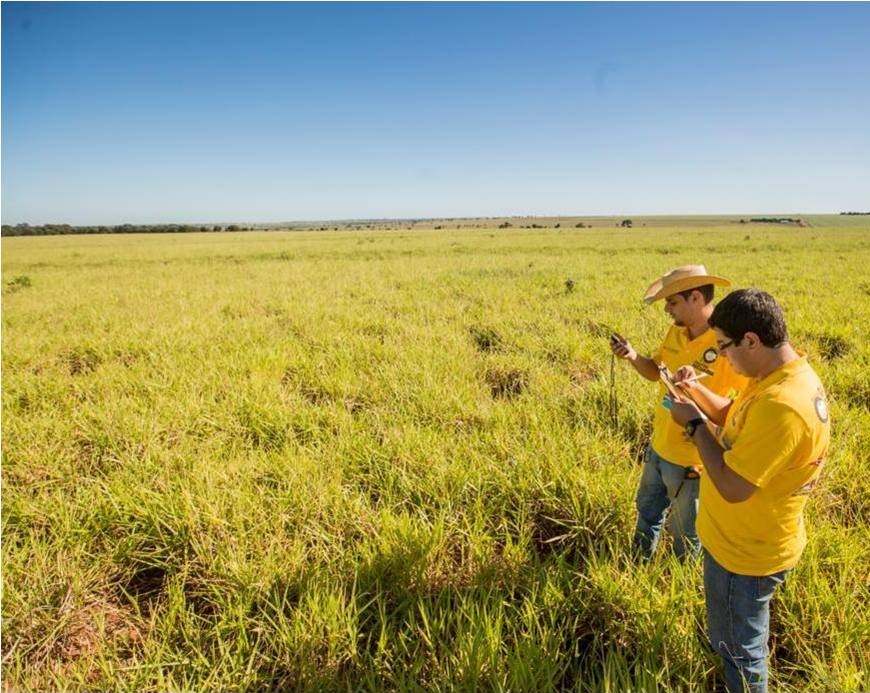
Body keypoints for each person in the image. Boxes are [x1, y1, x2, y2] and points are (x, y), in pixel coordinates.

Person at [667, 288, 830, 693]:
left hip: (747, 556)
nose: (722, 357)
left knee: (742, 652)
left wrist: (694, 426)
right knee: (733, 639)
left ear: (751, 340)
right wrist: (698, 393)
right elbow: (738, 416)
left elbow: (734, 486)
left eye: (725, 346)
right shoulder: (776, 377)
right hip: (736, 542)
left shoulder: (783, 405)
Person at [610, 265, 749, 561]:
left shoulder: (726, 344)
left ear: (696, 298)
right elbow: (655, 372)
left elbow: (741, 407)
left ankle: (679, 587)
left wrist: (697, 394)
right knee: (647, 514)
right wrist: (632, 355)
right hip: (659, 447)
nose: (667, 310)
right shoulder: (675, 332)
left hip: (693, 460)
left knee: (686, 536)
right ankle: (638, 564)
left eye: (672, 302)